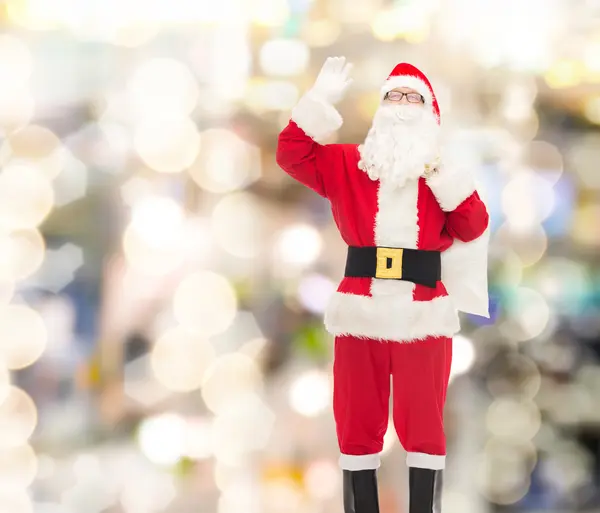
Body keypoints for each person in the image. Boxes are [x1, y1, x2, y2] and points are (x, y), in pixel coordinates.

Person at [276, 56, 490, 513]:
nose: (401, 106)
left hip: (423, 311)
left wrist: (442, 177)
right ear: (379, 108)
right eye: (393, 96)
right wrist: (318, 101)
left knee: (425, 425)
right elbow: (292, 155)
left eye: (413, 97)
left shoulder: (443, 176)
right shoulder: (348, 164)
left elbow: (472, 226)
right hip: (360, 309)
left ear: (430, 112)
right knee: (355, 422)